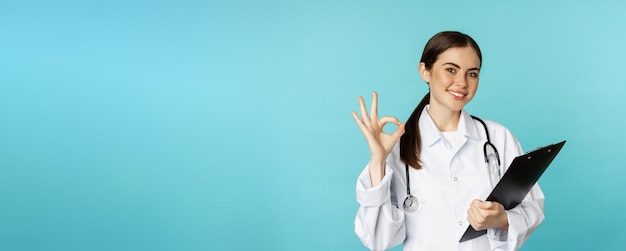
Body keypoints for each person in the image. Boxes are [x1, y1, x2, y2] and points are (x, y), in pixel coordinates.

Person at [351, 31, 545, 251]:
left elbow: (533, 208)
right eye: (451, 70)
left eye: (472, 74)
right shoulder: (398, 147)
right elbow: (377, 240)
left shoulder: (498, 138)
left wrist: (501, 220)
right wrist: (378, 161)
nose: (461, 82)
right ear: (425, 71)